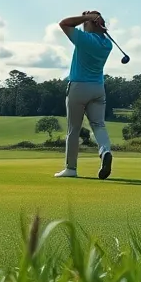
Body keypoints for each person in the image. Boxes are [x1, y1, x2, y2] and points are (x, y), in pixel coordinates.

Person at [55, 10, 113, 179]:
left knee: (73, 128)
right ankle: (105, 151)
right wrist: (91, 19)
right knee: (99, 125)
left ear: (92, 23)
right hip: (98, 88)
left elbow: (64, 23)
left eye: (86, 22)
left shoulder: (85, 39)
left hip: (79, 87)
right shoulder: (107, 44)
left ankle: (71, 168)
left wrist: (86, 17)